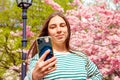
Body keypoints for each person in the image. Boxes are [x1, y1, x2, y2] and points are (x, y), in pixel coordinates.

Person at [24, 12, 102, 80]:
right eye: (53, 27)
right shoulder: (40, 59)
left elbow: (97, 75)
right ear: (48, 33)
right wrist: (34, 77)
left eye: (62, 25)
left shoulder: (81, 57)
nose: (59, 30)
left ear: (67, 29)